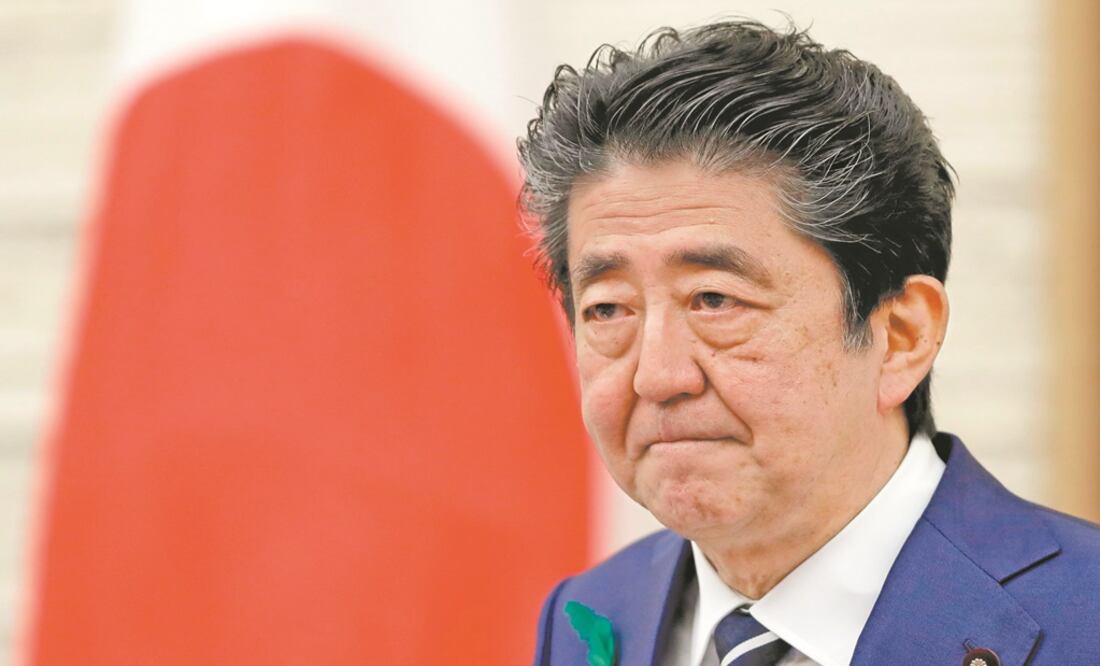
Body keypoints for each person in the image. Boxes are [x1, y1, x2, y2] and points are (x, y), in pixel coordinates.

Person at [518, 20, 1100, 666]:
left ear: (902, 335)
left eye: (715, 300)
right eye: (608, 309)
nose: (656, 376)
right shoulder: (591, 614)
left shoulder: (1082, 614)